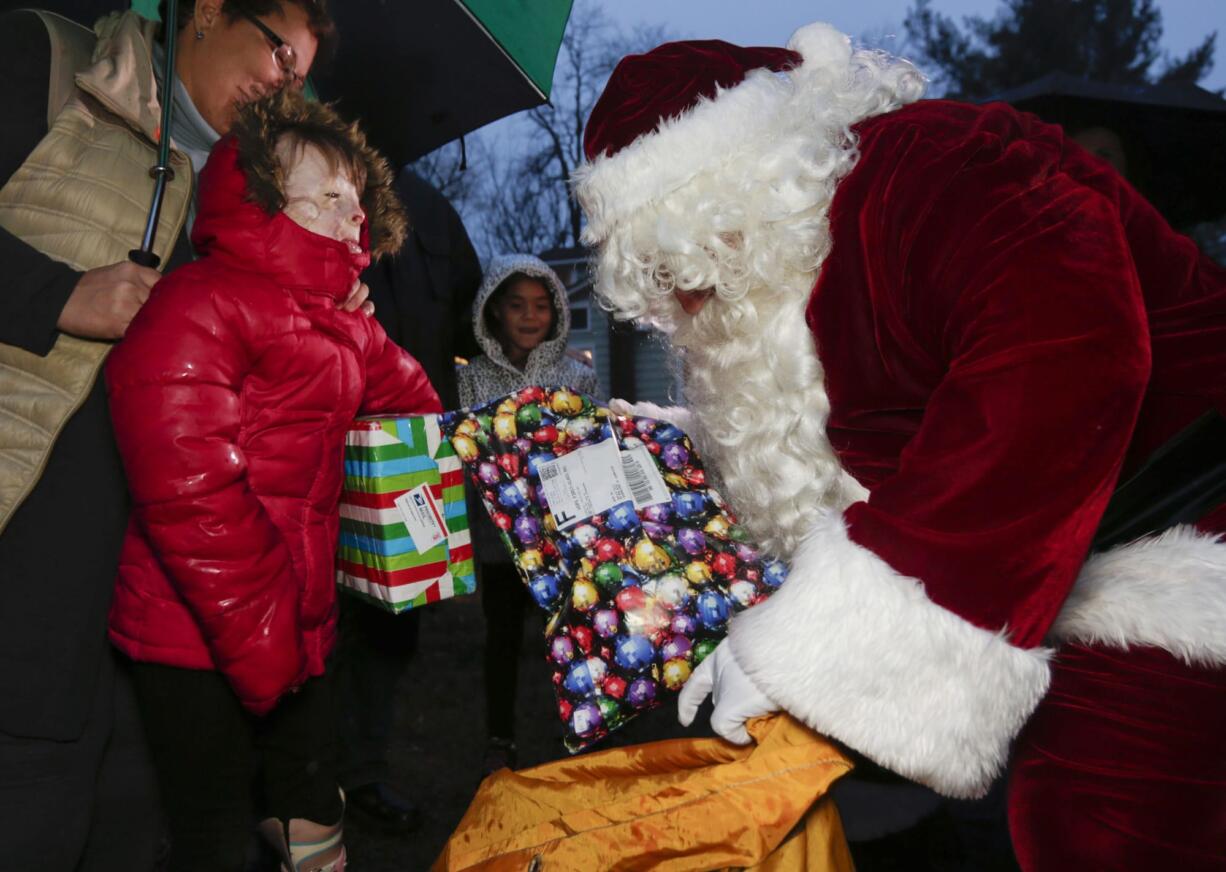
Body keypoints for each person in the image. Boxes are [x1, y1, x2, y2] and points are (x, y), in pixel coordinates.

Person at [573, 23, 1226, 870]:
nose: (687, 301)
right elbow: (871, 430)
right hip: (1062, 575)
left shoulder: (927, 169)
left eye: (692, 255)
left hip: (1186, 541)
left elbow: (1063, 358)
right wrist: (689, 450)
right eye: (660, 280)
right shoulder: (795, 280)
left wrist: (819, 647)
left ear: (759, 181)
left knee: (1092, 820)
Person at [0, 3, 351, 869]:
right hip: (28, 565)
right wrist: (57, 294)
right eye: (279, 52)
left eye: (301, 75)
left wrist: (321, 320)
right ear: (204, 14)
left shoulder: (258, 184)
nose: (284, 83)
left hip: (156, 611)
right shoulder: (42, 63)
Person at [103, 91, 441, 872]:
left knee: (314, 817)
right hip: (192, 637)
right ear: (257, 198)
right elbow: (192, 497)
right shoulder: (200, 302)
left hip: (299, 627)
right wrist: (267, 641)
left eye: (358, 202)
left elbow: (413, 414)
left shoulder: (340, 318)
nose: (352, 215)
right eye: (327, 196)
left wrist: (362, 324)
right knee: (212, 835)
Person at [333, 167, 482, 830]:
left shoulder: (434, 208)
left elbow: (472, 320)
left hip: (413, 448)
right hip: (324, 436)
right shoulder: (305, 181)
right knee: (317, 615)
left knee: (394, 622)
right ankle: (301, 781)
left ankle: (364, 772)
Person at [457, 254, 600, 773]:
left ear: (556, 312)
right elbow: (468, 453)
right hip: (500, 540)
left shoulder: (576, 377)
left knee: (573, 634)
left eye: (541, 305)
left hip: (561, 540)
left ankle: (586, 724)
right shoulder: (472, 379)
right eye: (516, 304)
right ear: (494, 311)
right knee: (501, 638)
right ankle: (501, 735)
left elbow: (590, 450)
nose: (528, 315)